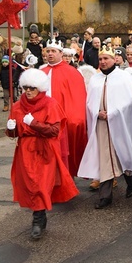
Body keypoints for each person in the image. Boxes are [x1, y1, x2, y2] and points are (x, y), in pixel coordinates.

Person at [6, 68, 79, 240]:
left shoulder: (50, 104)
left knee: (41, 185)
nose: (28, 91)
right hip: (25, 150)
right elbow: (14, 133)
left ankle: (37, 219)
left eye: (32, 88)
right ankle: (39, 214)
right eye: (26, 88)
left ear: (40, 88)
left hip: (45, 150)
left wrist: (34, 123)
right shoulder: (17, 106)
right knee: (30, 184)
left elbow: (54, 131)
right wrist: (11, 129)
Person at [78, 44, 132, 209]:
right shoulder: (95, 79)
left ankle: (130, 180)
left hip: (120, 124)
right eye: (101, 59)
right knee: (105, 158)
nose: (103, 62)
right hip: (101, 125)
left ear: (114, 60)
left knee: (123, 154)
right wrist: (97, 112)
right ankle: (105, 196)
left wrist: (114, 112)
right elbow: (89, 102)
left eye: (106, 59)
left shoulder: (123, 78)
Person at [40, 38, 88, 176]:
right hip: (44, 120)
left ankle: (66, 177)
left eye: (53, 51)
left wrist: (75, 119)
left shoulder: (72, 72)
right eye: (48, 51)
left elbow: (78, 98)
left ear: (61, 53)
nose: (50, 54)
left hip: (63, 119)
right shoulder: (41, 72)